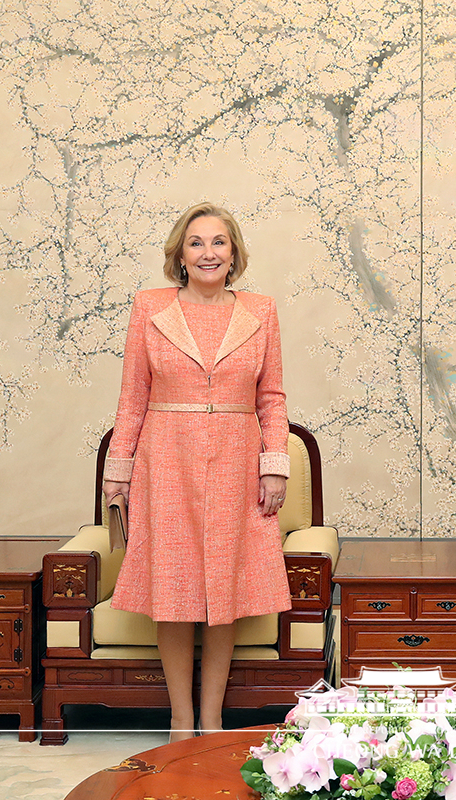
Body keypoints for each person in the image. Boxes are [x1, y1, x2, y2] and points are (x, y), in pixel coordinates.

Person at [101, 201, 292, 741]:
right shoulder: (150, 308)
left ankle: (212, 717)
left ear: (233, 254)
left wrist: (272, 467)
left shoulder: (261, 311)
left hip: (236, 460)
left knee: (223, 591)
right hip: (166, 462)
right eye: (196, 243)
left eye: (219, 243)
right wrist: (118, 475)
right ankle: (180, 719)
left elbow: (272, 398)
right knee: (176, 587)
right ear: (180, 255)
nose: (208, 253)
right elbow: (132, 397)